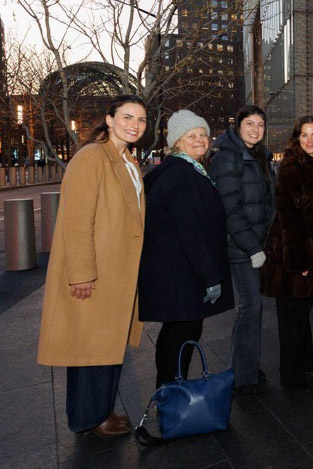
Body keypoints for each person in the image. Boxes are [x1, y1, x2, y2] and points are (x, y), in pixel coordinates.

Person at [37, 95, 148, 437]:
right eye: (127, 117)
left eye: (141, 120)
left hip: (118, 273)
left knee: (108, 347)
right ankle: (89, 418)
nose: (135, 125)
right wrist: (82, 274)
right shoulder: (91, 158)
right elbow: (75, 221)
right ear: (109, 119)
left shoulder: (127, 160)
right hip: (97, 272)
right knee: (90, 349)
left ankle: (103, 410)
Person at [138, 110, 234, 388]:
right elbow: (191, 230)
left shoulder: (184, 170)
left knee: (177, 334)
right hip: (182, 272)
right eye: (191, 135)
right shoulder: (181, 175)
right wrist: (211, 277)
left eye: (203, 134)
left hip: (178, 270)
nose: (200, 139)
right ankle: (170, 393)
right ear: (177, 142)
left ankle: (169, 391)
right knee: (181, 335)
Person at [262, 116, 313, 388]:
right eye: (304, 135)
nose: (309, 140)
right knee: (291, 317)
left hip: (306, 253)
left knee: (302, 313)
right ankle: (291, 374)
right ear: (297, 138)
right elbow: (289, 217)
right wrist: (301, 260)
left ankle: (304, 366)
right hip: (292, 256)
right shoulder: (292, 168)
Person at [209, 105, 274, 395]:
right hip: (241, 246)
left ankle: (247, 368)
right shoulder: (227, 158)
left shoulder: (257, 156)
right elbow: (231, 210)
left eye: (260, 124)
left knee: (254, 307)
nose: (255, 129)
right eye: (250, 123)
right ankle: (241, 374)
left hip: (255, 243)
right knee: (250, 306)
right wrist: (252, 248)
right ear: (238, 126)